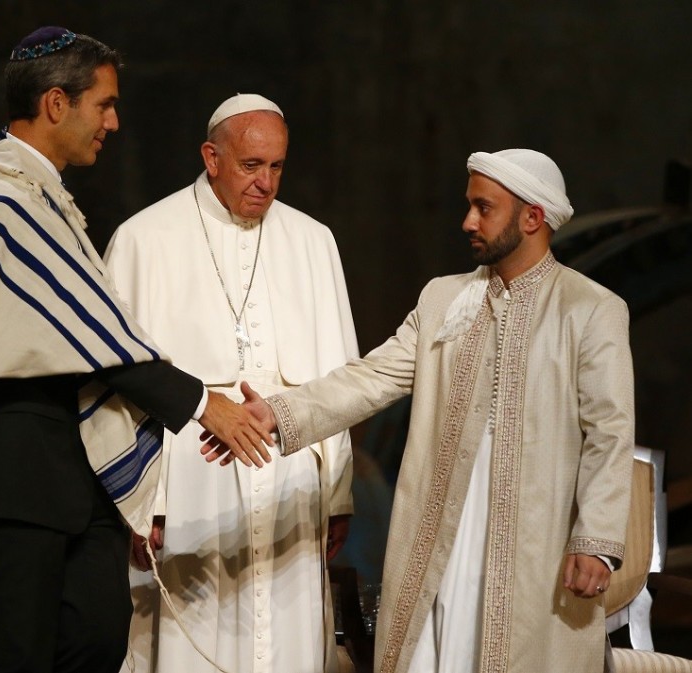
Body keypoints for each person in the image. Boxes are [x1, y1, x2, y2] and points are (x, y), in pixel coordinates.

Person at [0, 28, 271, 673]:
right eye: (103, 104)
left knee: (97, 641)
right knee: (22, 658)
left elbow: (83, 331)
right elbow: (92, 332)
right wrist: (203, 404)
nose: (113, 121)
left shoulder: (42, 197)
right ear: (57, 103)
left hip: (73, 474)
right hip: (9, 472)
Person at [213, 148, 636, 672]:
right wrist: (280, 413)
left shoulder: (590, 309)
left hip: (535, 543)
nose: (468, 221)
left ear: (533, 217)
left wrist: (594, 541)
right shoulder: (443, 300)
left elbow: (610, 433)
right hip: (442, 537)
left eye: (484, 208)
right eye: (470, 206)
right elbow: (371, 377)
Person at [103, 94, 359, 673]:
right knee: (190, 635)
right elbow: (119, 387)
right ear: (211, 157)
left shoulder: (314, 240)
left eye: (277, 167)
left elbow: (340, 381)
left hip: (292, 475)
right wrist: (146, 503)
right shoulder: (144, 238)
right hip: (189, 474)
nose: (266, 183)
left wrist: (338, 494)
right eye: (251, 166)